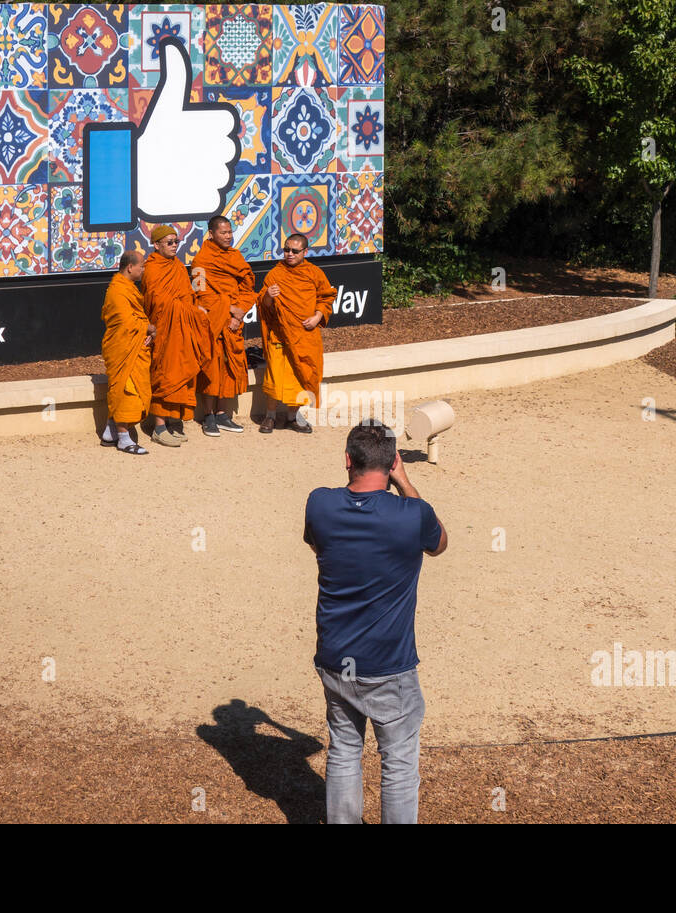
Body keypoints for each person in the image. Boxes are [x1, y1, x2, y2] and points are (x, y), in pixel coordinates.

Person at [304, 420, 448, 823]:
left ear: (347, 460)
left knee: (345, 750)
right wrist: (404, 482)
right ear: (393, 462)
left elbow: (317, 542)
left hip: (336, 660)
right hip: (389, 666)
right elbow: (438, 544)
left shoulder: (320, 503)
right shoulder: (413, 514)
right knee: (399, 765)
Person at [258, 233, 335, 434]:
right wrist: (267, 296)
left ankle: (293, 416)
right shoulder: (275, 274)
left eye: (294, 251)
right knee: (275, 376)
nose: (289, 254)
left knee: (302, 375)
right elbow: (263, 307)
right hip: (281, 335)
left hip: (304, 334)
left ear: (305, 252)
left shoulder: (314, 273)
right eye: (286, 250)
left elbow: (326, 297)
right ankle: (270, 416)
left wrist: (318, 316)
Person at [142, 225, 211, 448]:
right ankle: (159, 427)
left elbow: (188, 295)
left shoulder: (179, 267)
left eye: (176, 242)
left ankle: (173, 421)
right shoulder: (152, 268)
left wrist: (194, 309)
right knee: (166, 376)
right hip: (165, 331)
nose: (174, 246)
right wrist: (192, 311)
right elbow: (160, 303)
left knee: (182, 373)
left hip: (183, 330)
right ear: (156, 244)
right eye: (169, 242)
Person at [191, 216, 253, 436]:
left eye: (230, 232)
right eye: (223, 233)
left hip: (233, 323)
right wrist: (229, 309)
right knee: (211, 368)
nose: (228, 236)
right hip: (213, 322)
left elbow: (248, 287)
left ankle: (222, 414)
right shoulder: (200, 260)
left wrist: (239, 313)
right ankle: (208, 416)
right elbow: (201, 294)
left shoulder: (236, 257)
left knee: (229, 367)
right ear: (211, 234)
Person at [99, 250, 153, 455]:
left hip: (133, 345)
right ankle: (123, 437)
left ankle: (110, 431)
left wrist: (146, 330)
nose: (143, 270)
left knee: (127, 388)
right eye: (142, 266)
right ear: (130, 267)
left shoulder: (128, 288)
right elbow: (124, 322)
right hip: (122, 347)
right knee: (127, 390)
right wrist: (148, 328)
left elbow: (135, 319)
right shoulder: (117, 290)